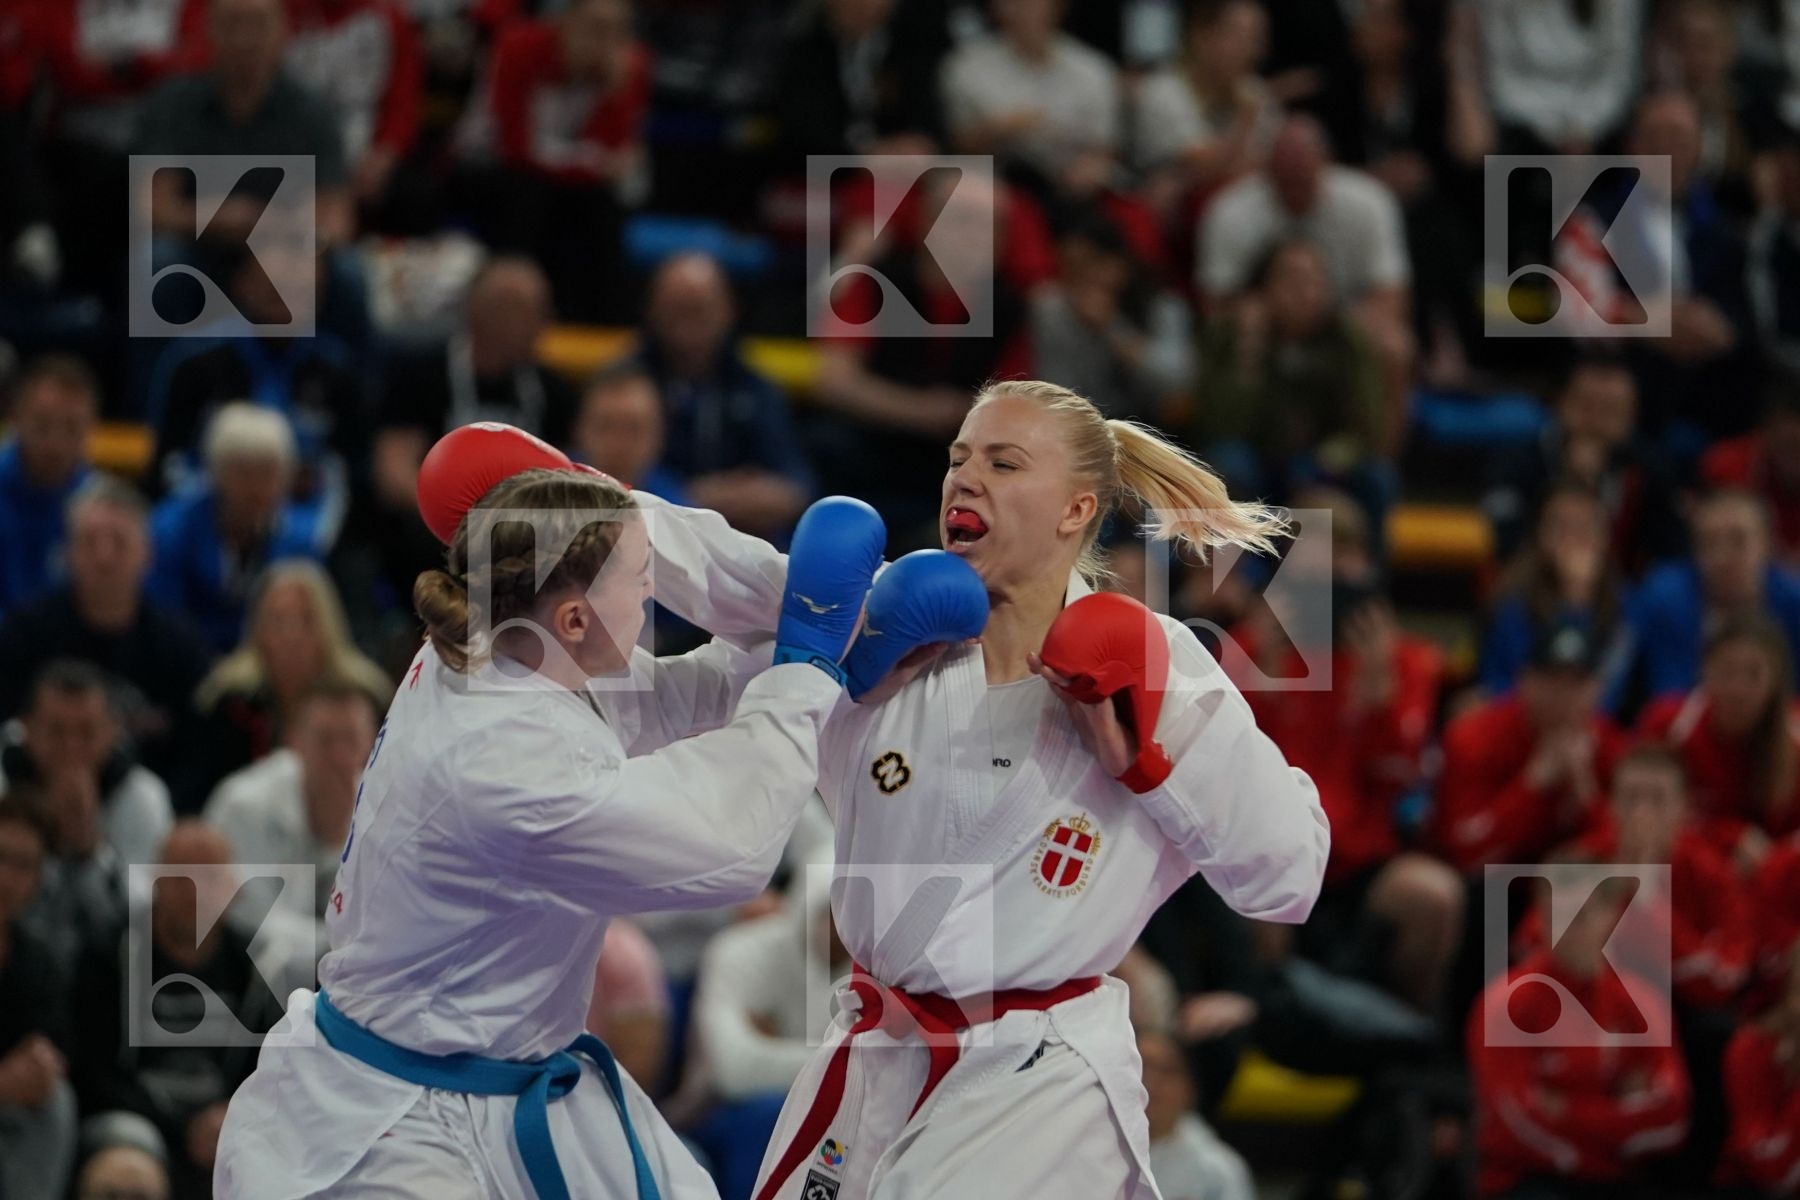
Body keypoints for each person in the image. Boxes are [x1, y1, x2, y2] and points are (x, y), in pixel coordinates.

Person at [632, 379, 1328, 1200]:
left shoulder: (1158, 667)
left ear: (1075, 510)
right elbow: (725, 584)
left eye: (1003, 463)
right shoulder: (888, 628)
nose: (965, 479)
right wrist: (560, 510)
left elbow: (1290, 876)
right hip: (878, 1057)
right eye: (958, 458)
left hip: (1038, 1083)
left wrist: (1153, 769)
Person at [214, 460, 888, 1199]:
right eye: (642, 581)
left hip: (510, 1073)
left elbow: (669, 696)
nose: (650, 592)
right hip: (395, 1120)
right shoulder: (506, 763)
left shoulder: (496, 645)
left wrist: (837, 644)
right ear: (574, 619)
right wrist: (806, 669)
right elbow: (728, 846)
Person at [1227, 487, 1457, 1013]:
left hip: (1360, 862)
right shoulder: (1251, 646)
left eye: (1340, 568)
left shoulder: (1407, 662)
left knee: (1434, 897)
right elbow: (1218, 770)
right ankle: (1265, 1029)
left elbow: (1405, 780)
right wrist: (1259, 685)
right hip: (1270, 854)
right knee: (1261, 900)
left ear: (1365, 573)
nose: (1326, 585)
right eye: (1311, 569)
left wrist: (1380, 705)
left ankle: (1408, 1040)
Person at [73, 822, 295, 1199]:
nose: (194, 892)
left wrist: (233, 1117)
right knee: (127, 1175)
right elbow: (91, 1072)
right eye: (181, 876)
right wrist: (182, 1127)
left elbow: (274, 1072)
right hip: (132, 1123)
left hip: (226, 1125)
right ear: (156, 882)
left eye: (208, 878)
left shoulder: (258, 968)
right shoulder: (110, 955)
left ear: (232, 890)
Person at [1467, 875, 1691, 1198]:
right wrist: (1615, 1121)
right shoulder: (1506, 1004)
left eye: (1583, 913)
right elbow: (1512, 1126)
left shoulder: (1642, 1003)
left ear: (1611, 917)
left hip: (1616, 1180)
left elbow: (1672, 1119)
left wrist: (1569, 1111)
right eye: (1557, 914)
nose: (1569, 928)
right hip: (1530, 1179)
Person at [0, 476, 214, 780]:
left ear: (147, 554)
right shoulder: (23, 635)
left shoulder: (181, 648)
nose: (104, 557)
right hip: (33, 799)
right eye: (90, 541)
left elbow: (199, 758)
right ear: (69, 552)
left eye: (118, 542)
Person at [175, 559, 391, 814]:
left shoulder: (364, 701)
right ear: (257, 631)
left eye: (305, 619)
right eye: (277, 620)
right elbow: (196, 800)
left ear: (328, 627)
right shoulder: (227, 706)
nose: (292, 635)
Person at [636, 254, 816, 538]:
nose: (688, 324)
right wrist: (696, 496)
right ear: (652, 309)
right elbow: (612, 480)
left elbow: (793, 489)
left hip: (742, 548)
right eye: (676, 309)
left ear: (729, 310)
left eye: (699, 310)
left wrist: (695, 498)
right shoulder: (625, 383)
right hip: (648, 542)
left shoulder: (755, 385)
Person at [202, 678, 380, 961]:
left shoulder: (383, 808)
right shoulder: (244, 804)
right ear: (295, 740)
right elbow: (250, 918)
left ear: (373, 741)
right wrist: (341, 947)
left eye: (351, 738)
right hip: (247, 973)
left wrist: (336, 836)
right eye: (326, 740)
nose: (339, 755)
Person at [1431, 619, 1627, 874]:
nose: (1564, 695)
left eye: (1577, 683)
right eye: (1551, 680)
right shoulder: (1474, 737)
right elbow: (1465, 852)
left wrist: (1586, 795)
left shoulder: (1612, 745)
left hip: (1574, 887)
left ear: (1597, 689)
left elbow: (1633, 851)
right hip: (1494, 887)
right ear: (1525, 681)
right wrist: (1532, 785)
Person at [147, 404, 333, 653]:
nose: (255, 488)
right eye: (243, 472)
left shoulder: (299, 542)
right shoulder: (171, 530)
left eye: (267, 472)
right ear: (216, 471)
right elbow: (162, 618)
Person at [1637, 616, 1800, 873]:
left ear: (1775, 681)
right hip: (1684, 870)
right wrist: (1730, 838)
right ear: (1704, 671)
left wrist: (1772, 859)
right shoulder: (1668, 726)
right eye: (1726, 671)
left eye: (1753, 674)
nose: (1737, 688)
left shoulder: (1795, 738)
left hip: (1774, 881)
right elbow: (1640, 811)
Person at [1626, 489, 1800, 706]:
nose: (1722, 556)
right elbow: (1668, 695)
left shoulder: (1794, 604)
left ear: (1767, 544)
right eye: (1710, 542)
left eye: (1738, 540)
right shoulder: (1666, 598)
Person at [939, 0, 1120, 200]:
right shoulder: (966, 66)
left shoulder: (1092, 69)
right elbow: (957, 147)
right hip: (996, 184)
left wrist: (1089, 168)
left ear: (1058, 6)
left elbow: (1104, 149)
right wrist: (996, 130)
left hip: (1073, 187)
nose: (1019, 10)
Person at [0, 661, 173, 868]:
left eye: (87, 732)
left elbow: (147, 893)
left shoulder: (141, 795)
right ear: (27, 729)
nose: (71, 747)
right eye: (56, 731)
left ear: (112, 731)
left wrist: (90, 846)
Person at [1478, 480, 1632, 702]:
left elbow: (1612, 697)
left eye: (1585, 527)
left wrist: (1580, 600)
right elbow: (1502, 694)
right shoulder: (1511, 606)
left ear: (1605, 537)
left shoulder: (1629, 605)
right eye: (1561, 526)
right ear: (1541, 535)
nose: (1574, 539)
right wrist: (1573, 600)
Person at [0, 795, 77, 1200]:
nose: (7, 878)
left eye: (24, 865)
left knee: (54, 1101)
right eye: (1, 857)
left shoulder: (37, 959)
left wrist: (40, 1068)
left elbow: (56, 1049)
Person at [0, 354, 97, 616]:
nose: (56, 444)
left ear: (91, 429)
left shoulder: (98, 510)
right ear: (15, 419)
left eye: (71, 427)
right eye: (42, 425)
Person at [1138, 1028, 1254, 1200]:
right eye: (1141, 1066)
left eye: (1167, 1071)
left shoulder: (1218, 1170)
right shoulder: (1090, 1149)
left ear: (1190, 1088)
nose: (1151, 1083)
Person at [571, 363, 691, 502]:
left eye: (633, 429)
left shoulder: (677, 510)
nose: (618, 444)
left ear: (659, 435)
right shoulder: (547, 493)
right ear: (579, 429)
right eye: (606, 426)